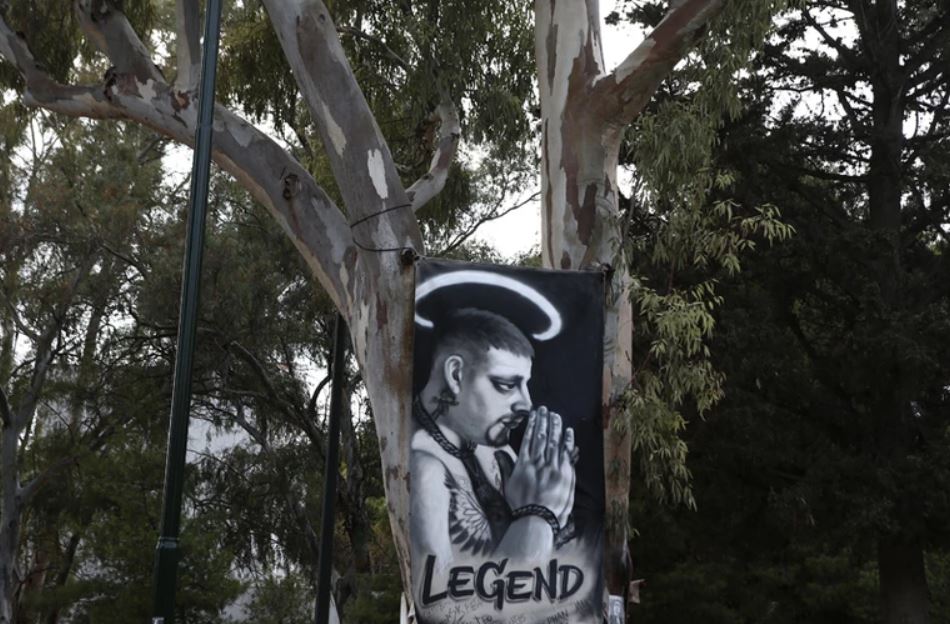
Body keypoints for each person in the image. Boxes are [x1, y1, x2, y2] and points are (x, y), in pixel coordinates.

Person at [409, 308, 578, 608]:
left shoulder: (495, 450)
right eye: (506, 385)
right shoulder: (425, 470)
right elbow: (443, 610)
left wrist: (556, 500)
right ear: (456, 374)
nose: (526, 403)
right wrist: (538, 516)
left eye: (525, 385)